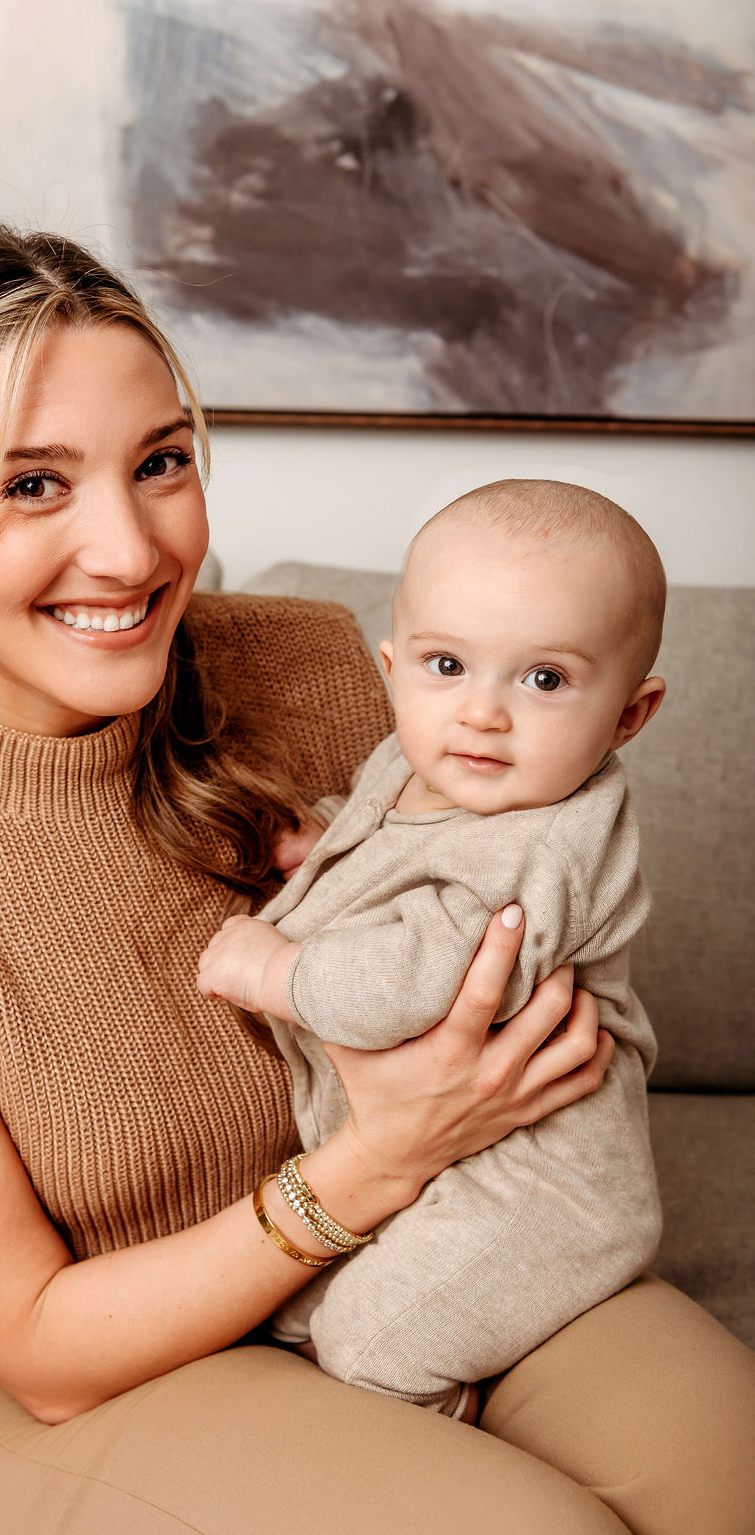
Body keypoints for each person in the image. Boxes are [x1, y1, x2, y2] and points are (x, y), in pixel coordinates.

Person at [0, 224, 753, 1535]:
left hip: (441, 1240)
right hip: (110, 1354)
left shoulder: (322, 668)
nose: (131, 548)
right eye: (35, 485)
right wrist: (370, 1165)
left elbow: (528, 936)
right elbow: (41, 1343)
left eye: (161, 464)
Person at [197, 481, 665, 1415]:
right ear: (394, 666)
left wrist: (271, 968)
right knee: (295, 1315)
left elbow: (412, 984)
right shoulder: (421, 763)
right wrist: (318, 840)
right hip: (439, 1168)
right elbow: (398, 852)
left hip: (535, 1193)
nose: (482, 713)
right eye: (446, 664)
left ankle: (452, 1438)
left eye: (544, 679)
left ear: (628, 716)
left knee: (369, 1347)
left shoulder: (543, 843)